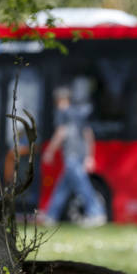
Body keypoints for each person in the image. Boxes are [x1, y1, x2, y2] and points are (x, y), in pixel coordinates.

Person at [41, 86, 107, 227]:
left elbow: (61, 133)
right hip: (80, 155)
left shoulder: (62, 113)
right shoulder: (79, 114)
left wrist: (50, 151)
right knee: (63, 187)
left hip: (71, 155)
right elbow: (88, 135)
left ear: (59, 100)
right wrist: (90, 156)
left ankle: (97, 213)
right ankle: (51, 216)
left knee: (83, 186)